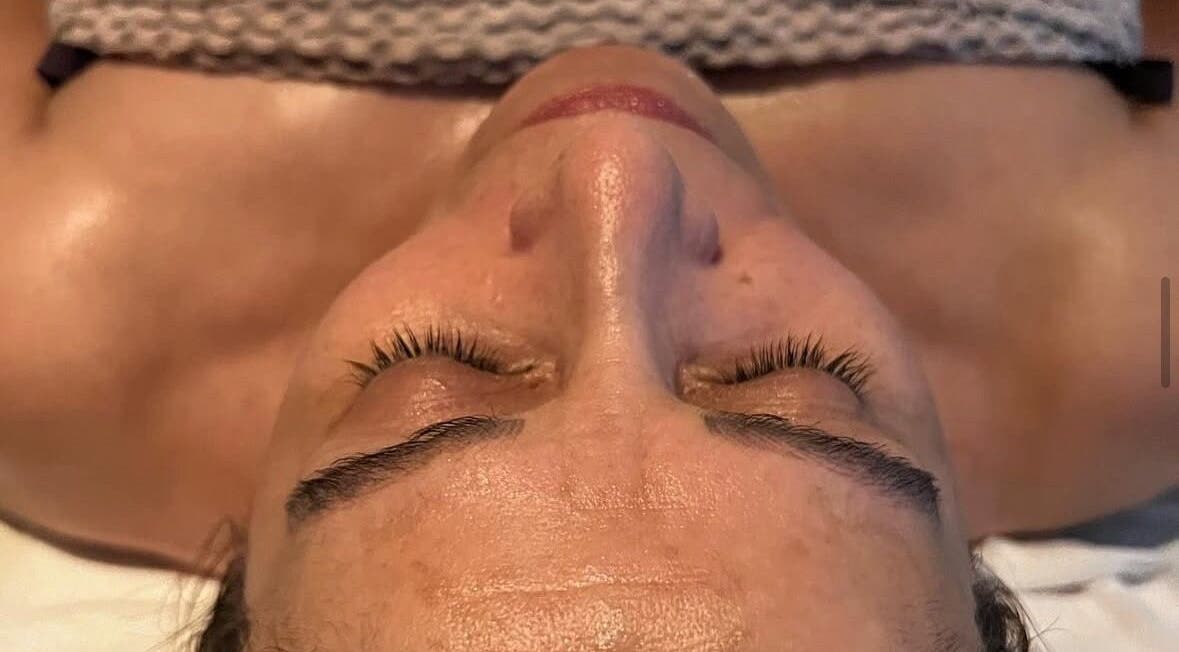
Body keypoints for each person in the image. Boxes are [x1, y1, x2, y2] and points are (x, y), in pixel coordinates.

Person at [0, 2, 1176, 650]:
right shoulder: (1130, 309)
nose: (617, 168)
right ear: (977, 571)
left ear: (239, 573)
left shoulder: (55, 297)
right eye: (794, 383)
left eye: (431, 373)